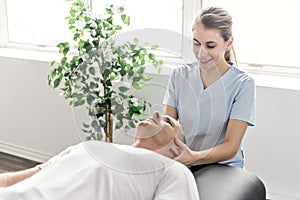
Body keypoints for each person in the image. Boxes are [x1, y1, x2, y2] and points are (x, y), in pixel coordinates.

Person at [0, 111, 199, 200]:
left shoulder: (172, 170)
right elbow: (12, 180)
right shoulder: (87, 146)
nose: (156, 114)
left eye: (168, 122)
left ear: (176, 149)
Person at [163, 6, 255, 169]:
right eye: (196, 44)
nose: (201, 53)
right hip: (183, 161)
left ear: (229, 43)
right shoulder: (179, 75)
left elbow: (230, 147)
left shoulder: (242, 84)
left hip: (223, 166)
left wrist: (192, 157)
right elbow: (168, 130)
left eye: (210, 45)